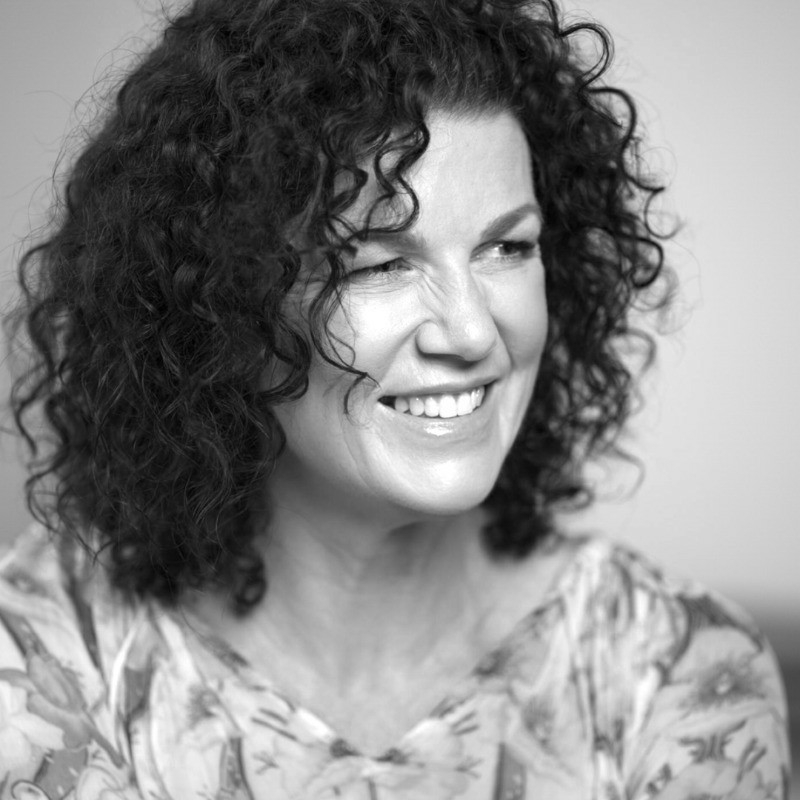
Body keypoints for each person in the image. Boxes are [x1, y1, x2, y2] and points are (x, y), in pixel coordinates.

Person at [0, 0, 790, 797]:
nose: (473, 331)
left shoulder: (676, 672)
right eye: (379, 264)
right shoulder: (44, 658)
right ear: (224, 301)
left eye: (507, 247)